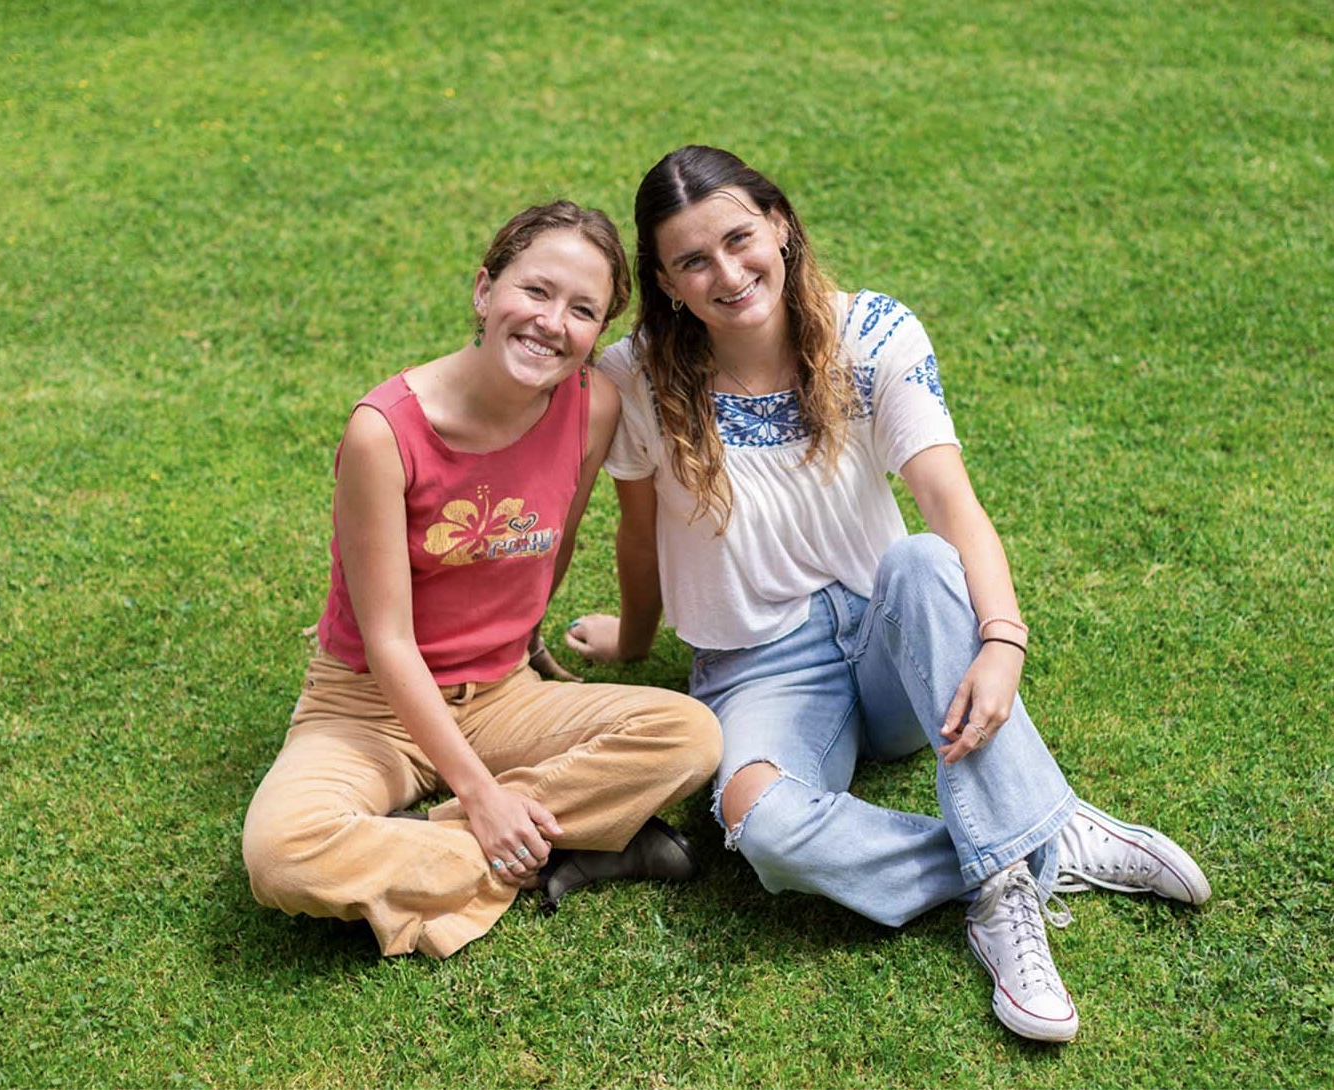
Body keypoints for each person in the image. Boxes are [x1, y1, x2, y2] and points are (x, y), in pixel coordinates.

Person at [566, 147, 1210, 1042]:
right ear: (667, 282)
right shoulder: (634, 377)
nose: (727, 273)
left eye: (740, 239)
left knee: (921, 561)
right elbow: (636, 533)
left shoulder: (871, 333)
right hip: (758, 672)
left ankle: (1001, 903)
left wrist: (1002, 641)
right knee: (761, 825)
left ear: (781, 226)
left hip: (890, 640)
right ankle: (1033, 844)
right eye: (692, 261)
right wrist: (637, 641)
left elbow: (949, 502)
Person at [243, 201, 722, 959]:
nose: (551, 322)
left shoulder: (591, 408)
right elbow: (389, 641)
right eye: (535, 291)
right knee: (283, 853)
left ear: (599, 332)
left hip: (501, 694)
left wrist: (522, 640)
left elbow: (553, 544)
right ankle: (562, 849)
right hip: (370, 704)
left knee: (689, 735)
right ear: (483, 291)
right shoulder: (385, 431)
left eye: (582, 310)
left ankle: (425, 851)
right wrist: (479, 794)